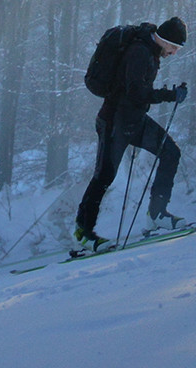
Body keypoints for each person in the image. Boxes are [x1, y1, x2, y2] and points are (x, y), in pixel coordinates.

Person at [73, 16, 190, 248]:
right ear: (165, 40)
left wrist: (169, 94)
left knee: (170, 153)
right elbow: (137, 93)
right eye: (174, 47)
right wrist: (170, 95)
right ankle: (83, 233)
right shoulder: (140, 52)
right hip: (114, 121)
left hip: (134, 121)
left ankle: (156, 215)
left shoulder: (150, 51)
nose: (174, 52)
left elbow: (137, 93)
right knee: (104, 176)